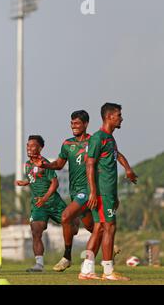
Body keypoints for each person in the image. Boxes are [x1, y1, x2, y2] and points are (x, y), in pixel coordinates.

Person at [32, 110, 137, 272]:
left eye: (77, 123)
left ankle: (67, 257)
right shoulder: (67, 144)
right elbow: (59, 164)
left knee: (66, 216)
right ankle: (107, 254)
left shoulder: (94, 140)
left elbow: (117, 154)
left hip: (88, 190)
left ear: (86, 124)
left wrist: (128, 169)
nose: (73, 126)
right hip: (75, 192)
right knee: (93, 227)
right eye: (72, 123)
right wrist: (45, 165)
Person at [79, 103, 136, 281]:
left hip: (108, 192)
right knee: (109, 227)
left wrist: (127, 169)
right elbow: (89, 165)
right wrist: (93, 193)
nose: (121, 118)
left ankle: (87, 269)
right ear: (109, 116)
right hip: (101, 192)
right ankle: (109, 271)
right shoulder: (98, 138)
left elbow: (117, 155)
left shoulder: (109, 139)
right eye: (119, 115)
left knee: (99, 229)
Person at [16, 135, 67, 272]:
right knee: (36, 231)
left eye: (33, 146)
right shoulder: (27, 165)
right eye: (28, 145)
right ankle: (39, 265)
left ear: (40, 148)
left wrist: (44, 198)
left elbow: (55, 183)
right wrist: (25, 182)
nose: (29, 148)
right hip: (38, 205)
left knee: (72, 227)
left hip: (54, 203)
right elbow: (34, 178)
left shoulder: (45, 163)